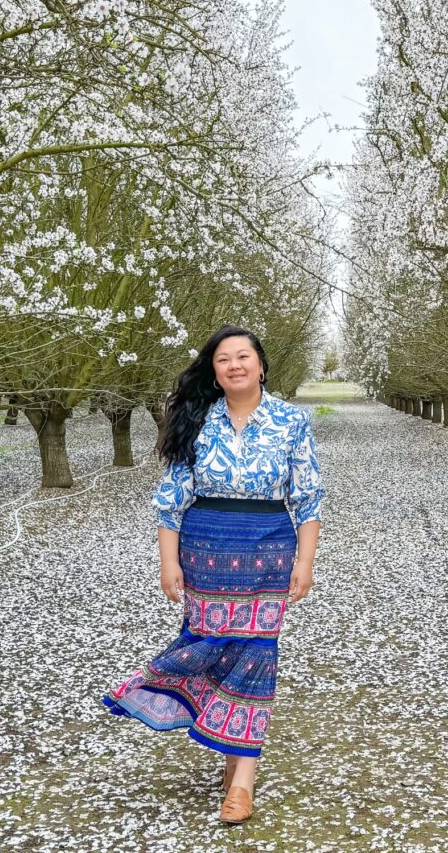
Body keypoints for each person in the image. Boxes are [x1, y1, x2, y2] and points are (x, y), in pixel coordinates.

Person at [101, 324, 326, 825]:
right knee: (214, 649)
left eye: (243, 357)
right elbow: (171, 500)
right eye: (223, 359)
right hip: (205, 551)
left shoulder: (292, 421)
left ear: (261, 365)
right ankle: (227, 748)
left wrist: (305, 562)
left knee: (257, 654)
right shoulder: (195, 421)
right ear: (215, 371)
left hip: (269, 551)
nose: (234, 366)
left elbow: (308, 498)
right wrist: (168, 560)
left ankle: (242, 781)